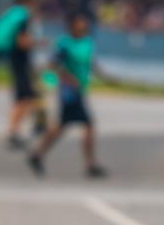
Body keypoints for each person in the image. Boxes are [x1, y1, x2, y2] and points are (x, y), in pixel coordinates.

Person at [27, 12, 110, 178]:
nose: (84, 26)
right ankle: (90, 164)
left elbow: (90, 63)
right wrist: (68, 78)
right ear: (72, 25)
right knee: (88, 124)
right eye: (80, 23)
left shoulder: (87, 42)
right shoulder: (64, 44)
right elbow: (53, 65)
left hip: (80, 90)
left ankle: (37, 155)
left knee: (61, 126)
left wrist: (104, 76)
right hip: (69, 92)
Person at [0, 0, 42, 150]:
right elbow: (22, 41)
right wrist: (38, 43)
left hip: (15, 58)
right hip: (20, 59)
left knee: (26, 96)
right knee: (23, 97)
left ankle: (24, 127)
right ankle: (13, 132)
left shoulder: (13, 13)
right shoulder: (23, 16)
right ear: (28, 0)